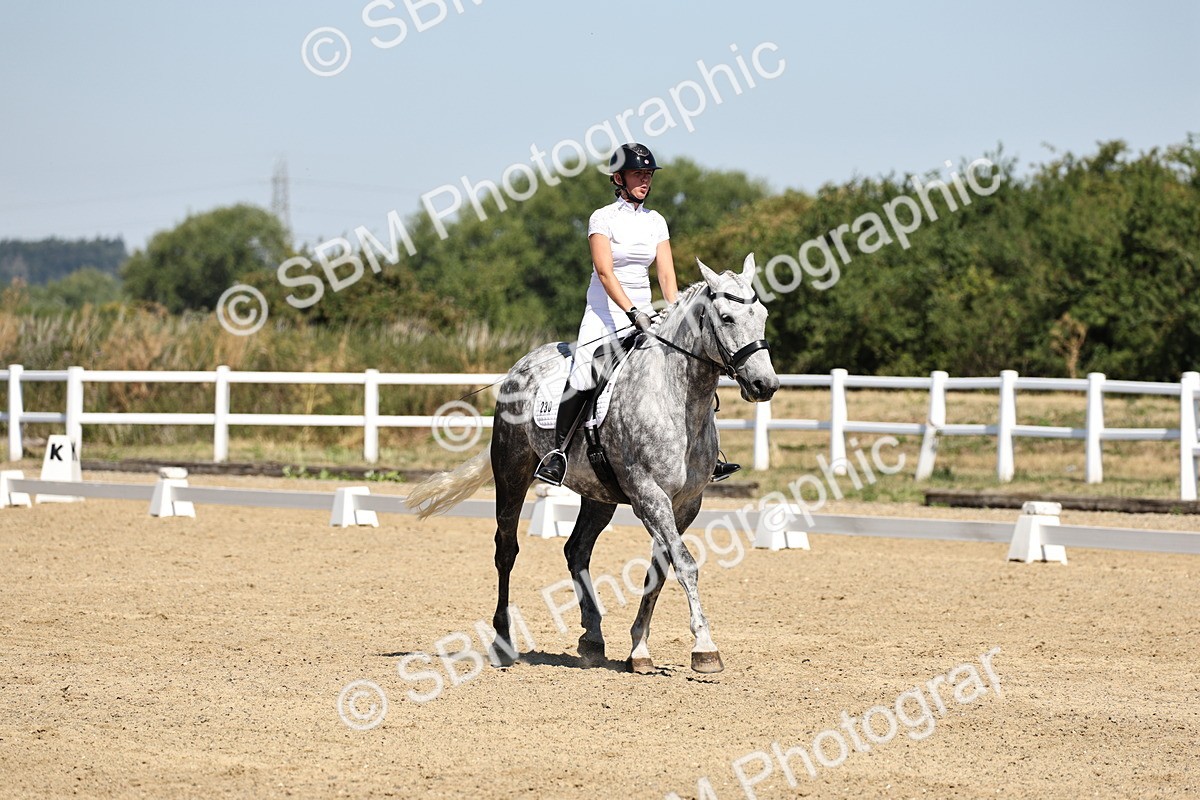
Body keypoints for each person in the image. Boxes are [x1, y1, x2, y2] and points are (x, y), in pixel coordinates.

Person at [533, 142, 741, 485]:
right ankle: (557, 453)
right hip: (604, 313)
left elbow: (666, 276)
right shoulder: (602, 218)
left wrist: (675, 315)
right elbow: (604, 272)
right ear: (619, 178)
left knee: (684, 371)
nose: (645, 180)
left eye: (648, 174)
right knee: (585, 373)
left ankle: (704, 454)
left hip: (647, 313)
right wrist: (630, 311)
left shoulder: (656, 221)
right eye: (638, 174)